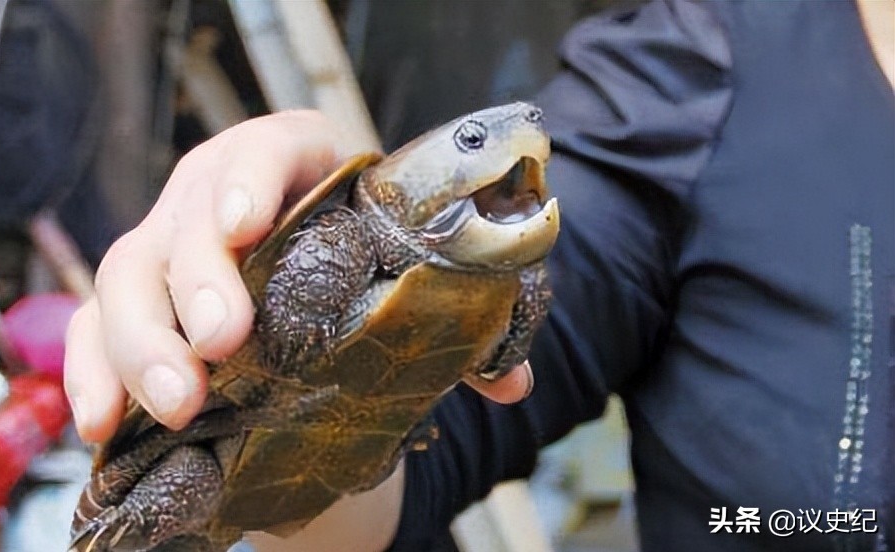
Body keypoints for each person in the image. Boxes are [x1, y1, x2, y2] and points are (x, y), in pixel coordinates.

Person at [63, 0, 894, 550]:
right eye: (477, 141)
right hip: (247, 430)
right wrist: (223, 269)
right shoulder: (697, 82)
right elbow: (424, 461)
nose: (520, 142)